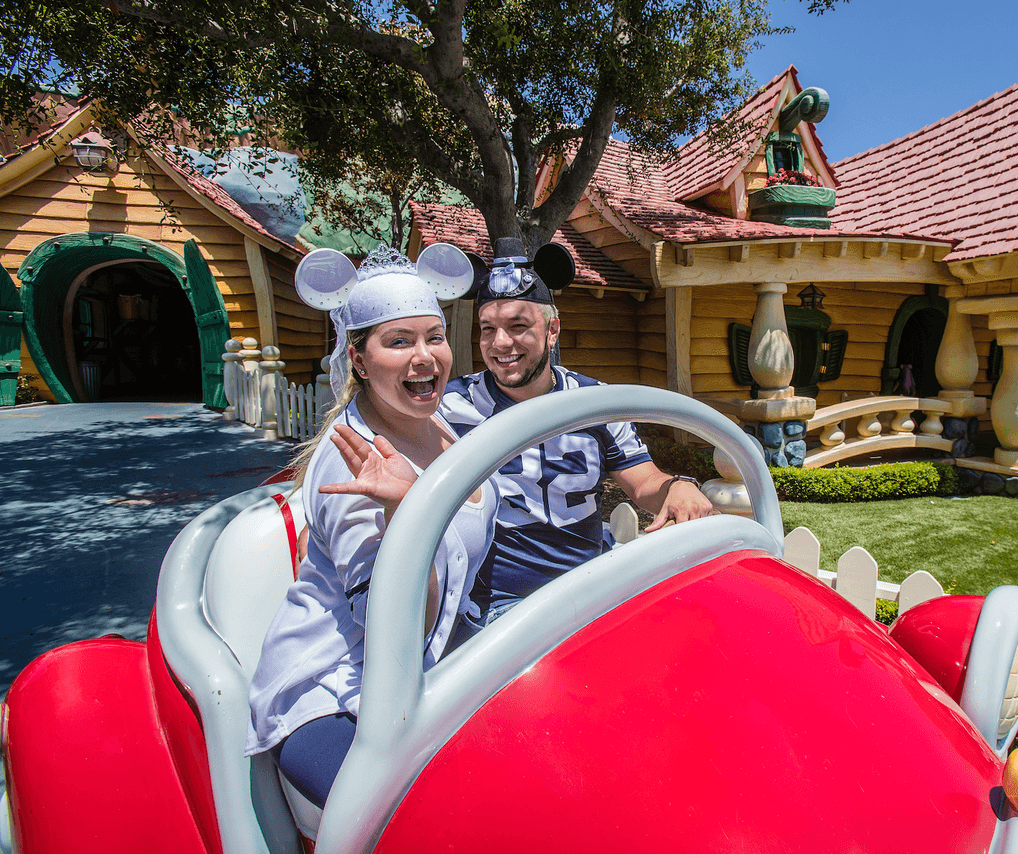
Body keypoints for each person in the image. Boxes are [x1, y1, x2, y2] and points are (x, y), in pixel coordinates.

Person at [245, 245, 496, 808]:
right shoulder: (354, 463)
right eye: (399, 341)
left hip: (434, 670)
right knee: (442, 823)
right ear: (358, 359)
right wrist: (408, 518)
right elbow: (394, 634)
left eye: (434, 336)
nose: (425, 356)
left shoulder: (457, 424)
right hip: (335, 695)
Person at [440, 237, 716, 636]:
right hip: (494, 606)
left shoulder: (595, 403)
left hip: (588, 590)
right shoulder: (450, 408)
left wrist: (677, 487)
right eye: (488, 329)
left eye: (518, 326)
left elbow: (643, 482)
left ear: (552, 330)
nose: (500, 343)